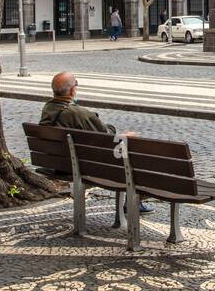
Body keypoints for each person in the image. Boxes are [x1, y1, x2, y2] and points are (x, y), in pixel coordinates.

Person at [40, 71, 153, 213]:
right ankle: (135, 201)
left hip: (58, 163)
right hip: (87, 167)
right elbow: (106, 135)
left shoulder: (48, 108)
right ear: (72, 90)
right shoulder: (79, 114)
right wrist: (123, 134)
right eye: (76, 84)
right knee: (132, 145)